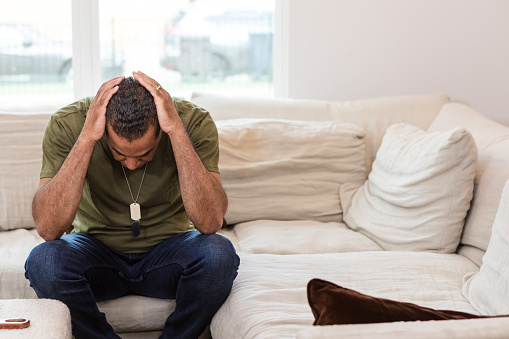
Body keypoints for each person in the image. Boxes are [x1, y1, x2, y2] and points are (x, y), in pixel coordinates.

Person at [24, 71, 240, 339]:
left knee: (219, 254)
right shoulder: (68, 123)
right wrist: (87, 138)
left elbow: (209, 222)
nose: (132, 163)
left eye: (145, 153)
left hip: (170, 250)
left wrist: (176, 131)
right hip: (95, 250)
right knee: (44, 260)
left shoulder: (193, 122)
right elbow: (48, 228)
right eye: (119, 153)